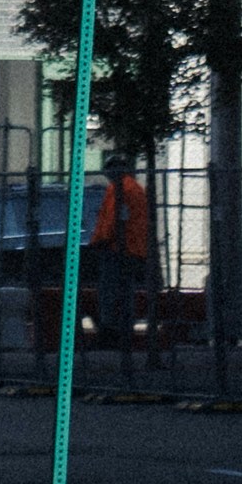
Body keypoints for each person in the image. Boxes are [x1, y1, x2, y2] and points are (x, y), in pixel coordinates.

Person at [89, 152, 151, 355]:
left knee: (111, 294)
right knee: (124, 293)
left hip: (118, 249)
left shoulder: (121, 189)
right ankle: (122, 333)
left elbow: (114, 220)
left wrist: (102, 241)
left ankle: (112, 336)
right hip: (131, 249)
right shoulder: (132, 188)